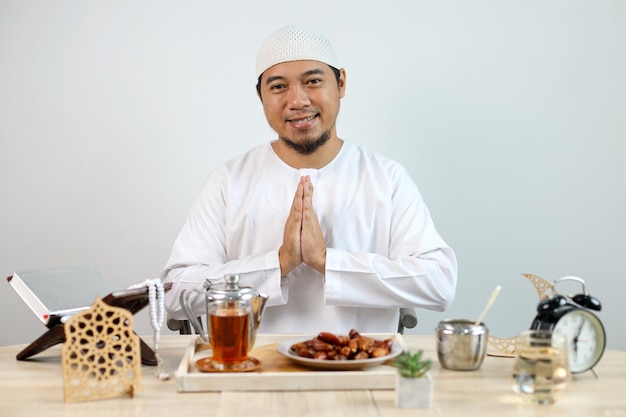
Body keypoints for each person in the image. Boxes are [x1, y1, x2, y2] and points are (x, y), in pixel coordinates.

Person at [161, 25, 457, 333]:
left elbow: (439, 282)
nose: (297, 101)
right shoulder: (229, 180)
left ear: (341, 82)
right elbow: (173, 291)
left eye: (313, 81)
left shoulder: (386, 178)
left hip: (360, 371)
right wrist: (277, 265)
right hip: (253, 372)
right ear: (260, 95)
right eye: (278, 87)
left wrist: (328, 262)